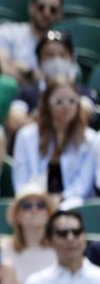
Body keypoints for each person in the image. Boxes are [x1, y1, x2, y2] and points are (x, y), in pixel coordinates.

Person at [12, 76, 96, 204]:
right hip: (35, 203)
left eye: (72, 101)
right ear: (46, 104)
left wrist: (61, 199)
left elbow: (83, 186)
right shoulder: (26, 136)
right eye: (59, 101)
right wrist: (43, 200)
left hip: (74, 204)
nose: (66, 106)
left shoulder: (90, 139)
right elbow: (21, 182)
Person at [7, 30, 97, 134]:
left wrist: (37, 118)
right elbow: (14, 122)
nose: (56, 60)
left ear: (72, 59)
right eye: (49, 55)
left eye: (62, 55)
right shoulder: (25, 93)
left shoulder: (84, 92)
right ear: (39, 61)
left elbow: (84, 114)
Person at [19, 210, 100, 284]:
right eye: (63, 234)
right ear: (50, 241)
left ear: (84, 236)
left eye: (77, 232)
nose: (70, 238)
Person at [0, 0, 64, 82]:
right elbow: (0, 67)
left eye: (53, 10)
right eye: (41, 7)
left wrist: (27, 71)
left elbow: (61, 82)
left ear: (60, 14)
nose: (46, 13)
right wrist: (34, 76)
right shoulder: (7, 32)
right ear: (31, 8)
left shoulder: (62, 44)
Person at [0, 184, 57, 284]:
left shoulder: (60, 248)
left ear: (49, 214)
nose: (34, 210)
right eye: (26, 206)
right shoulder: (2, 248)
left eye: (41, 205)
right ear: (17, 215)